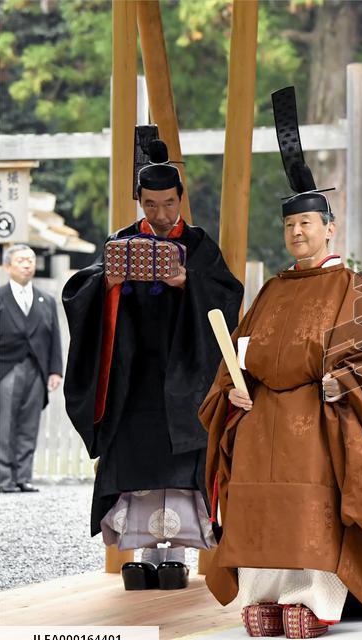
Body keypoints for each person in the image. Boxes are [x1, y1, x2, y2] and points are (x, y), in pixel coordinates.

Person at [199, 86, 362, 638]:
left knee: (308, 507)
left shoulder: (351, 287)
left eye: (307, 225)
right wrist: (233, 388)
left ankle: (311, 600)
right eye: (290, 226)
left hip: (317, 420)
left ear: (328, 228)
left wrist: (342, 382)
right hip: (261, 415)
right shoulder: (271, 289)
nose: (297, 233)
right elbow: (238, 350)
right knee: (254, 504)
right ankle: (264, 596)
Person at [62, 138, 243, 591]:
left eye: (167, 203)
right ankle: (142, 555)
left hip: (183, 379)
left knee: (179, 472)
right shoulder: (121, 243)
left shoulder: (198, 245)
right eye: (150, 204)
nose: (161, 214)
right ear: (138, 201)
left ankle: (177, 557)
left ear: (180, 199)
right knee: (137, 471)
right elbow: (78, 295)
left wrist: (189, 284)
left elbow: (228, 297)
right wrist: (109, 284)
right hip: (134, 380)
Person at [0, 245, 62, 493]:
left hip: (36, 367)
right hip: (5, 367)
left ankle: (23, 476)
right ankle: (4, 478)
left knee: (29, 423)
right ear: (7, 266)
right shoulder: (0, 296)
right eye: (21, 260)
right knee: (4, 424)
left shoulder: (45, 299)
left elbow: (55, 337)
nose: (27, 264)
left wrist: (55, 370)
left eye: (30, 260)